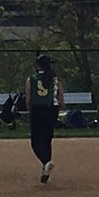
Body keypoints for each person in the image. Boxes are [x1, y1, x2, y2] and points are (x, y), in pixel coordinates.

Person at [26, 53, 64, 183]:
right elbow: (61, 100)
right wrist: (56, 112)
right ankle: (45, 169)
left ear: (37, 65)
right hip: (51, 110)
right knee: (47, 139)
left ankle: (46, 162)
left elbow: (29, 99)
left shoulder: (32, 79)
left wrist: (31, 111)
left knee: (35, 141)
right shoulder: (55, 79)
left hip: (38, 109)